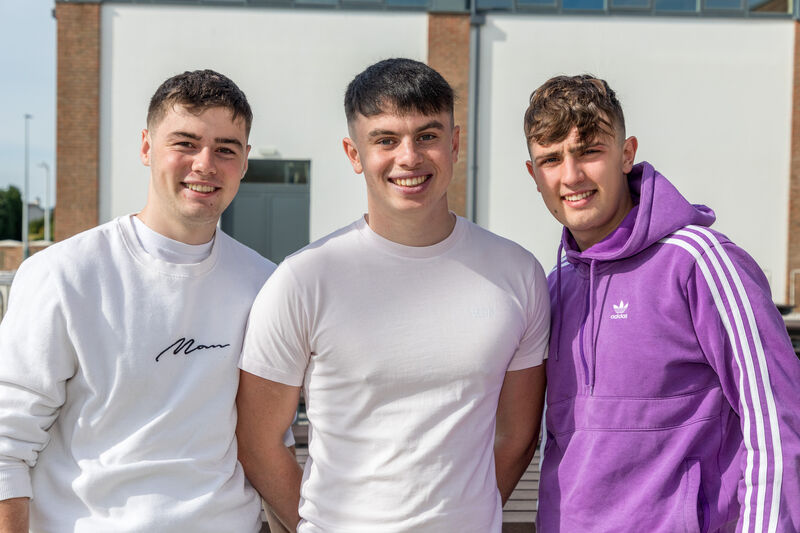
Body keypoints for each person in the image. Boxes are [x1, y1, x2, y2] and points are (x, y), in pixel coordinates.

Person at [236, 58, 550, 532]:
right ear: (354, 153)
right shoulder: (305, 279)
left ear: (455, 143)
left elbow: (517, 434)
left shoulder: (517, 273)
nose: (409, 157)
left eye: (427, 136)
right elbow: (258, 442)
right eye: (385, 139)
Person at [0, 69, 292, 532]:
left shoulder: (267, 284)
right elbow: (6, 444)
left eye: (225, 149)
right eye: (185, 143)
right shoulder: (65, 274)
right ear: (145, 147)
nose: (205, 164)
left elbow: (271, 440)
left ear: (245, 162)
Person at [524, 74, 800, 532]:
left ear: (626, 153)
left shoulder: (701, 263)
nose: (571, 175)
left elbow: (777, 418)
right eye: (551, 159)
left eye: (590, 150)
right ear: (533, 175)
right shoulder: (555, 287)